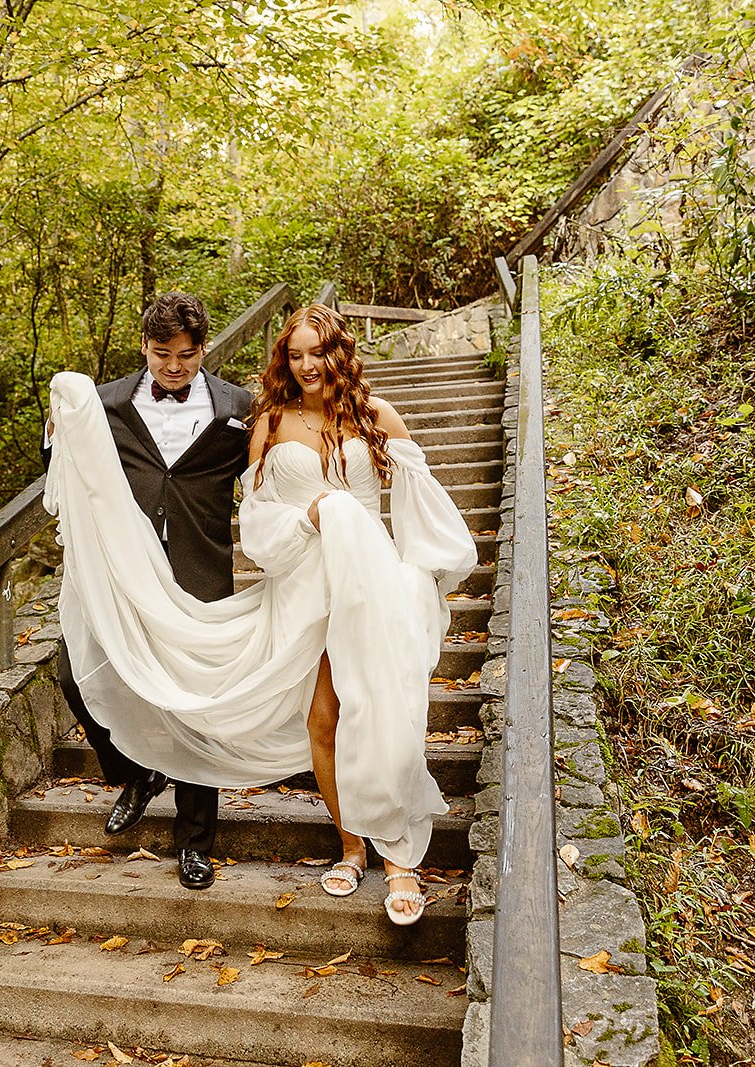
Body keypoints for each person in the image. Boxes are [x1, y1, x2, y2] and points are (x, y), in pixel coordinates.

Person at [44, 304, 476, 923]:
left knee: (377, 707)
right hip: (304, 583)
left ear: (340, 353)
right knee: (322, 719)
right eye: (295, 354)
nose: (306, 366)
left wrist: (420, 573)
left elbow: (422, 501)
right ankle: (352, 847)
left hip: (373, 583)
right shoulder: (268, 420)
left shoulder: (372, 415)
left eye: (318, 353)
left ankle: (398, 857)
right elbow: (258, 516)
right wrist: (310, 516)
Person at [45, 291, 253, 890]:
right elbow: (64, 462)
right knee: (72, 675)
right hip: (121, 574)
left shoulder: (238, 407)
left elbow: (271, 469)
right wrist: (55, 431)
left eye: (186, 356)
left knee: (194, 706)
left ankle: (194, 842)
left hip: (199, 574)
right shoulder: (106, 404)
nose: (174, 367)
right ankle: (135, 773)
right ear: (144, 346)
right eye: (163, 354)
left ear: (203, 348)